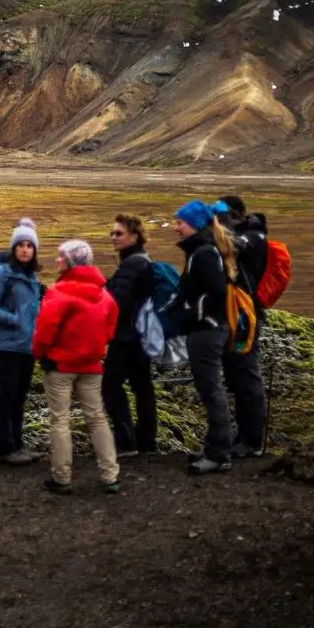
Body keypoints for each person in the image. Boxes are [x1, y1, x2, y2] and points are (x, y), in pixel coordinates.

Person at [32, 239, 122, 494]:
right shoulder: (104, 295)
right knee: (97, 418)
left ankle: (62, 477)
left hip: (60, 365)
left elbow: (45, 330)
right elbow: (110, 327)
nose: (57, 260)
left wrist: (40, 354)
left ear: (71, 261)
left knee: (60, 420)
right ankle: (110, 475)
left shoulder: (59, 292)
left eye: (61, 257)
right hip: (92, 366)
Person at [163, 199, 233, 474]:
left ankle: (218, 454)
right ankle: (215, 448)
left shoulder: (203, 253)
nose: (176, 228)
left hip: (206, 331)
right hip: (206, 329)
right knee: (209, 390)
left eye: (180, 223)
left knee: (211, 390)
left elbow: (216, 292)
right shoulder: (202, 251)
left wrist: (190, 316)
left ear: (193, 224)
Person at [0, 218, 44, 465]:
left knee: (20, 396)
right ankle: (5, 448)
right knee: (8, 395)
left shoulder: (31, 277)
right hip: (7, 345)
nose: (25, 249)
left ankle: (18, 444)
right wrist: (14, 319)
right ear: (14, 248)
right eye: (21, 245)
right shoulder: (2, 274)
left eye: (30, 245)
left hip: (27, 345)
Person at [214, 195, 271, 458]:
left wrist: (221, 224)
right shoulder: (246, 234)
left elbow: (233, 246)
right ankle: (244, 435)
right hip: (235, 315)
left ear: (237, 215)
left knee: (246, 372)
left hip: (247, 319)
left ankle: (253, 440)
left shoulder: (255, 237)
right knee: (236, 373)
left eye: (223, 215)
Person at [102, 214, 159, 456]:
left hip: (126, 337)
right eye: (112, 233)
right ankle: (146, 440)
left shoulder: (132, 264)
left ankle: (125, 440)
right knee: (142, 386)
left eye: (119, 233)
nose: (113, 238)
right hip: (140, 337)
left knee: (110, 385)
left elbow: (118, 303)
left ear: (134, 236)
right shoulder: (141, 260)